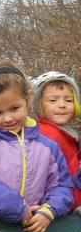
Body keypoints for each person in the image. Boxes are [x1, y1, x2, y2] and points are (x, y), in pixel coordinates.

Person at [0, 66, 73, 232]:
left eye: (14, 109)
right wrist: (18, 208)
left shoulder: (49, 146)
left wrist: (49, 211)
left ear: (29, 99)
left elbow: (62, 186)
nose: (8, 118)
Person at [31, 70, 81, 212]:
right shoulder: (47, 135)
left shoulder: (66, 134)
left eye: (69, 100)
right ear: (38, 105)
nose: (62, 105)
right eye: (53, 100)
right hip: (58, 208)